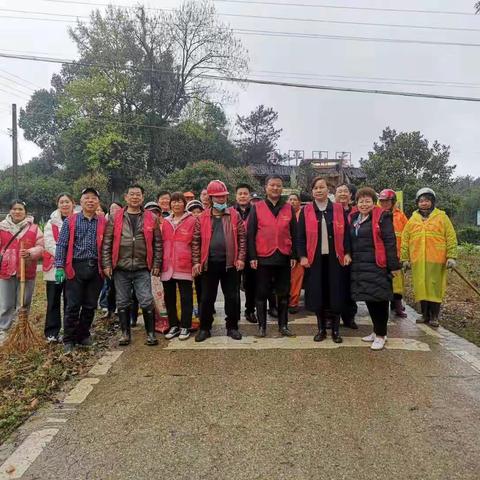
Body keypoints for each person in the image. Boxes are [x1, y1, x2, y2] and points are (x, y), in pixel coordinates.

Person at [102, 185, 162, 346]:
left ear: (142, 197)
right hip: (121, 267)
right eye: (132, 194)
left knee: (146, 299)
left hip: (142, 267)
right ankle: (125, 334)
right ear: (126, 197)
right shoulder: (116, 217)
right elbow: (107, 242)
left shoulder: (151, 217)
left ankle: (150, 333)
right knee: (122, 301)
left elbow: (157, 243)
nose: (135, 197)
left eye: (138, 195)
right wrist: (107, 264)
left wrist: (156, 263)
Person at [297, 178, 351, 342]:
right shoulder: (306, 211)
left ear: (329, 190)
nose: (319, 190)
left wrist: (347, 252)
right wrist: (302, 256)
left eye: (322, 187)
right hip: (315, 259)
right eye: (315, 188)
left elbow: (347, 233)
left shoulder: (337, 209)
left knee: (335, 292)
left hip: (336, 258)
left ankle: (335, 330)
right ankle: (321, 329)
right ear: (312, 191)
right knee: (318, 293)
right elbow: (299, 236)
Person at [192, 180, 246, 342]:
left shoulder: (234, 215)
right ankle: (205, 328)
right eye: (218, 197)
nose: (222, 200)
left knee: (232, 297)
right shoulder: (202, 217)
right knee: (207, 297)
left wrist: (241, 258)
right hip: (209, 264)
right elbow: (196, 241)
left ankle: (232, 327)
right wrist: (196, 262)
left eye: (223, 197)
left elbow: (242, 238)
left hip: (230, 264)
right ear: (210, 198)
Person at [55, 188, 107, 353]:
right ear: (81, 201)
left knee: (90, 304)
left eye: (93, 198)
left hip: (96, 267)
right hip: (75, 266)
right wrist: (59, 266)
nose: (90, 201)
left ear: (98, 202)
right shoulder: (71, 221)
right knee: (73, 305)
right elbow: (62, 244)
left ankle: (83, 335)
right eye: (87, 198)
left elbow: (108, 244)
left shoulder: (103, 222)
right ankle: (68, 339)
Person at [349, 187, 401, 351]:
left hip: (377, 265)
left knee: (380, 300)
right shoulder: (354, 218)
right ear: (356, 203)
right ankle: (376, 330)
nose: (364, 204)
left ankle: (381, 335)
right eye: (361, 201)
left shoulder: (382, 217)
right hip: (360, 265)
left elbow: (390, 242)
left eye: (367, 201)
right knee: (370, 298)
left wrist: (393, 266)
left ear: (373, 202)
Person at [248, 175, 297, 337]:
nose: (275, 188)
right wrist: (252, 256)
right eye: (272, 185)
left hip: (283, 256)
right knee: (261, 293)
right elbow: (251, 233)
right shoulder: (257, 207)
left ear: (282, 188)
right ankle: (262, 327)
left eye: (278, 185)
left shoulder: (288, 208)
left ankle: (283, 325)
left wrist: (294, 255)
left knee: (283, 293)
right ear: (266, 187)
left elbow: (295, 234)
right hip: (263, 256)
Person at [401, 188, 458, 328]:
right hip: (418, 261)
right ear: (417, 203)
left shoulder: (442, 217)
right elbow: (405, 240)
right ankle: (424, 315)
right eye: (421, 201)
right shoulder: (413, 219)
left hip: (436, 260)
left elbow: (451, 237)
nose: (424, 203)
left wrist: (451, 256)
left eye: (427, 200)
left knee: (434, 289)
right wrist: (405, 259)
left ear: (432, 202)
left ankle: (434, 316)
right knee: (421, 287)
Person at [0, 200, 44, 343]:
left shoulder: (34, 228)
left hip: (27, 269)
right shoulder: (2, 228)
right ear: (10, 211)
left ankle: (21, 329)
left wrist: (31, 252)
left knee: (24, 302)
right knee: (6, 303)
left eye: (20, 209)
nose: (17, 212)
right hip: (6, 270)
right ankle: (4, 330)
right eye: (14, 209)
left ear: (25, 212)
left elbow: (41, 246)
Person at [162, 193, 196, 341]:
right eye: (174, 202)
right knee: (169, 298)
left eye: (179, 202)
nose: (176, 205)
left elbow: (196, 243)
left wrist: (196, 262)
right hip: (167, 265)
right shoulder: (165, 222)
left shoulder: (193, 221)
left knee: (186, 297)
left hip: (184, 264)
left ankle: (185, 326)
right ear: (170, 205)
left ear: (184, 204)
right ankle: (173, 325)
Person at [43, 193, 75, 342]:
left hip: (73, 266)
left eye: (67, 202)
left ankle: (70, 331)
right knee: (53, 299)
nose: (64, 205)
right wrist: (63, 257)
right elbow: (49, 244)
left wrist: (70, 258)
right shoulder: (51, 223)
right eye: (61, 202)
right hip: (54, 267)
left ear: (73, 203)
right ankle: (52, 332)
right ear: (58, 204)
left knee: (71, 300)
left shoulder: (78, 219)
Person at [378, 189, 409, 318]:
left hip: (396, 254)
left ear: (393, 202)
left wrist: (405, 255)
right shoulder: (376, 214)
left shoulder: (400, 216)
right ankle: (383, 306)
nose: (385, 203)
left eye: (387, 201)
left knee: (397, 283)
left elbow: (407, 235)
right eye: (382, 201)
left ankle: (397, 306)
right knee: (383, 282)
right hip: (381, 254)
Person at [335, 183, 358, 329]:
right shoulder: (330, 211)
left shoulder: (357, 212)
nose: (343, 194)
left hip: (353, 256)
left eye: (346, 191)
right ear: (335, 195)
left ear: (351, 195)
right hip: (334, 256)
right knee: (334, 287)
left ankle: (349, 317)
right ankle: (332, 317)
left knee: (351, 287)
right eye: (340, 191)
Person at [234, 183, 257, 324]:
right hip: (234, 254)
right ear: (235, 196)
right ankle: (234, 312)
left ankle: (250, 310)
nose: (243, 196)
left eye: (245, 194)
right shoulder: (229, 212)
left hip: (251, 254)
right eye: (240, 194)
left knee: (251, 285)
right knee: (234, 285)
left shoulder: (256, 211)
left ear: (249, 196)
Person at [145, 201, 169, 333]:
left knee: (164, 294)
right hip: (150, 265)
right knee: (154, 294)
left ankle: (167, 320)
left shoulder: (165, 226)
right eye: (150, 213)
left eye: (156, 213)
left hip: (165, 265)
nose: (153, 215)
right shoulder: (143, 227)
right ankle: (157, 320)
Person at [287, 193, 304, 315]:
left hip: (299, 253)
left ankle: (293, 303)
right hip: (284, 252)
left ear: (299, 202)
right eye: (290, 199)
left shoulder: (303, 215)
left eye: (295, 200)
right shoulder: (283, 213)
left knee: (296, 280)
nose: (292, 202)